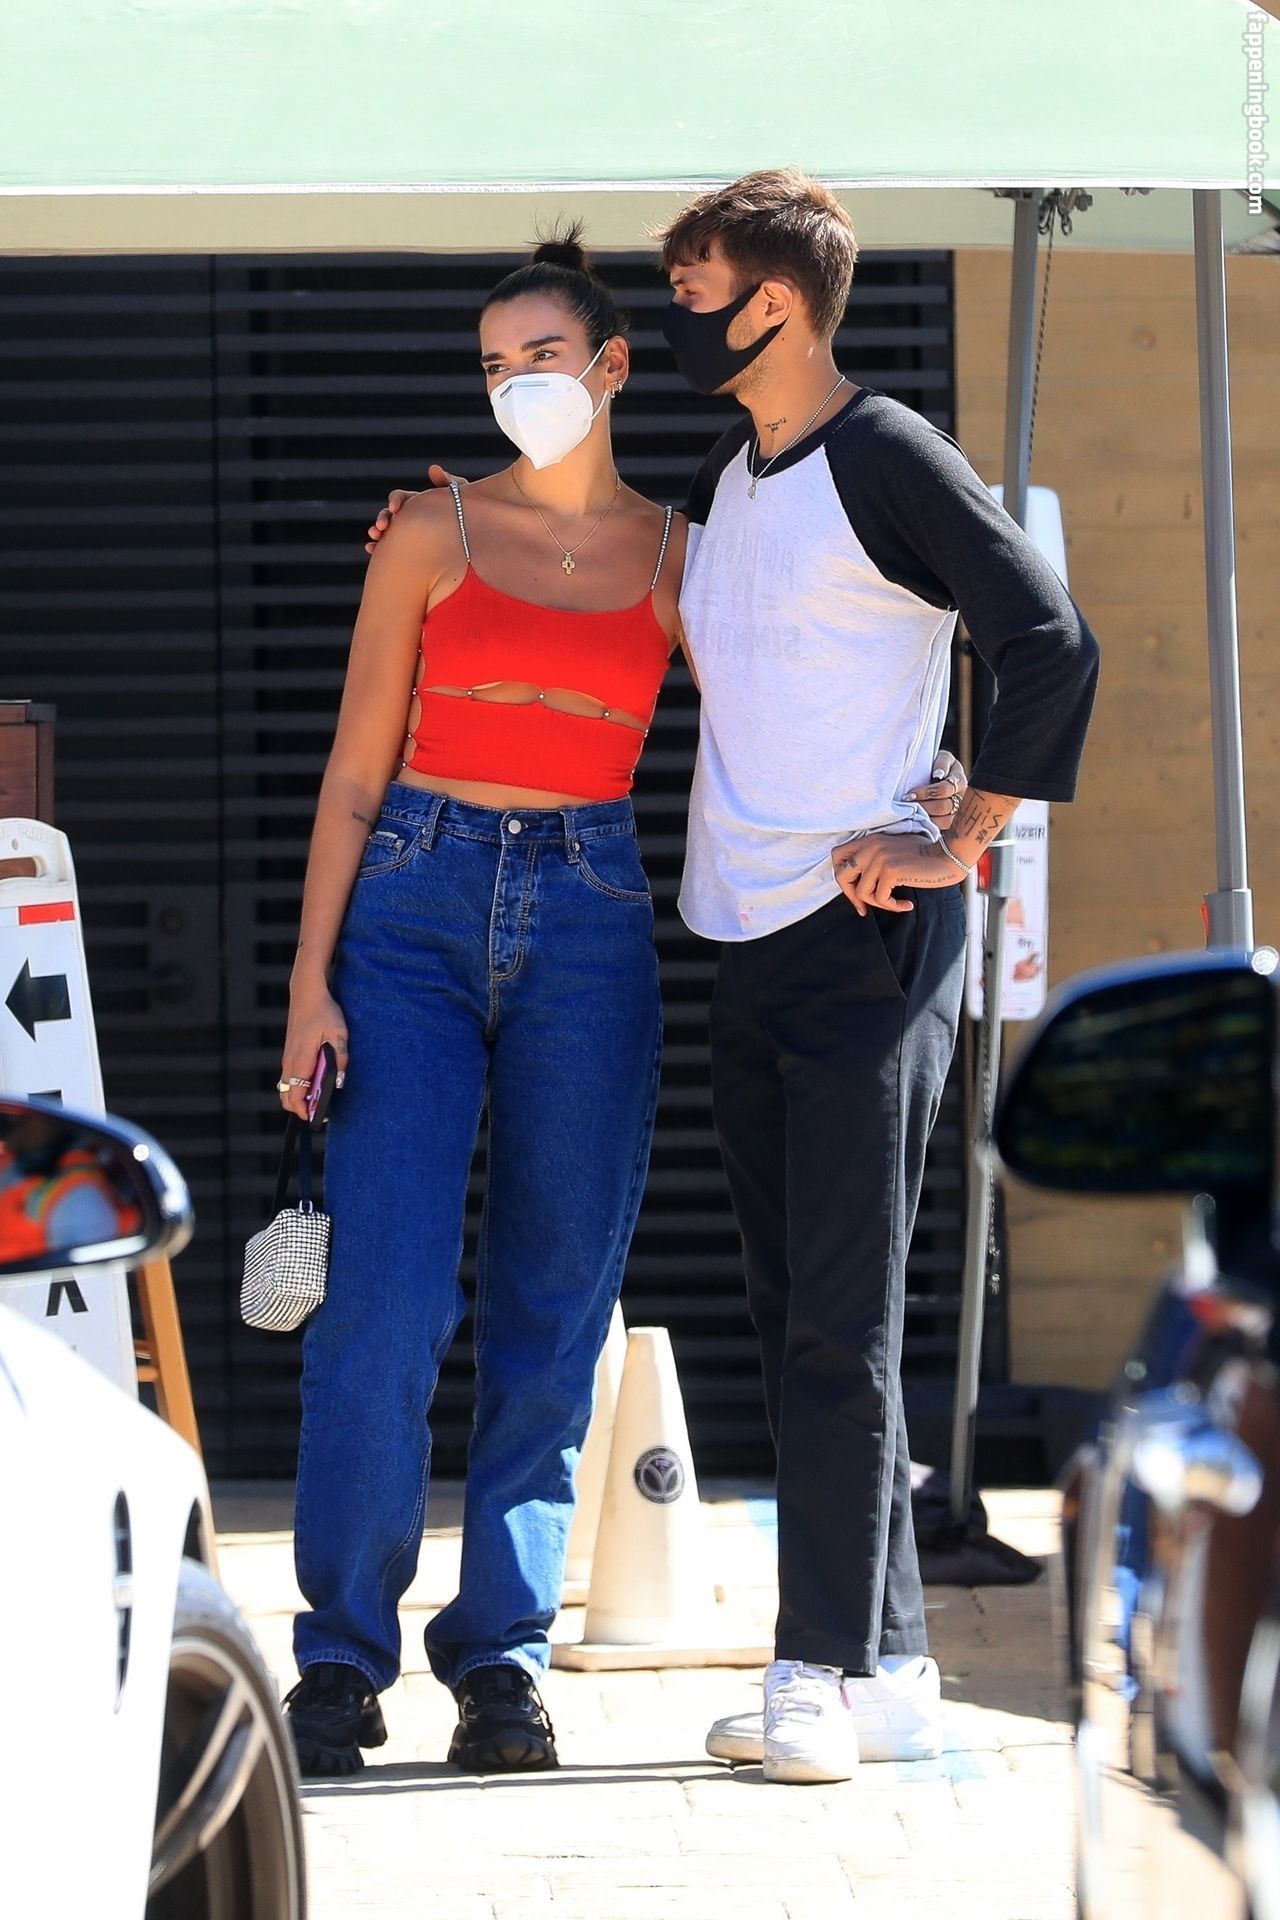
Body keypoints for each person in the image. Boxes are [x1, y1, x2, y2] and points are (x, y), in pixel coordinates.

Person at [368, 173, 1064, 1790]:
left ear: (778, 305)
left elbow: (1048, 638)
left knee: (840, 1320)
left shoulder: (886, 453)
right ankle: (890, 1660)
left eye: (693, 292)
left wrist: (961, 832)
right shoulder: (728, 477)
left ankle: (815, 1666)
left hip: (866, 937)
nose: (674, 317)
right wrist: (443, 532)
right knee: (799, 1311)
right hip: (742, 933)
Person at [276, 230, 683, 1780]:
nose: (518, 383)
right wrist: (310, 980)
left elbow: (786, 707)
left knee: (556, 1307)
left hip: (593, 912)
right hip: (411, 903)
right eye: (496, 363)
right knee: (382, 1305)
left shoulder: (680, 556)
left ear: (613, 366)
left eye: (544, 356)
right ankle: (339, 1658)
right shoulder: (430, 532)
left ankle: (503, 1661)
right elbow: (350, 773)